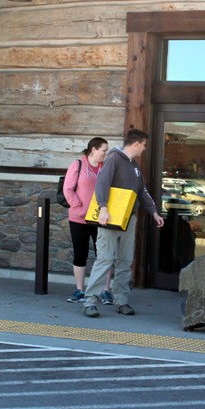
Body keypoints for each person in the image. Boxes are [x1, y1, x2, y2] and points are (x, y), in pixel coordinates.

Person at [83, 128, 164, 318]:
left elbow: (141, 191)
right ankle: (90, 302)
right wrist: (103, 208)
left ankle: (121, 300)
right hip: (110, 219)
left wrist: (153, 212)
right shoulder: (114, 159)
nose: (144, 149)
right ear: (137, 144)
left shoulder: (134, 166)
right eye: (144, 145)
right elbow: (102, 182)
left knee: (125, 261)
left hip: (129, 220)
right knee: (104, 260)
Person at [62, 137, 114, 304]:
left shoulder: (105, 167)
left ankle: (106, 291)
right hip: (78, 218)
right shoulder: (77, 165)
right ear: (94, 149)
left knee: (104, 255)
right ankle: (79, 290)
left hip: (100, 218)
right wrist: (79, 207)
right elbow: (68, 190)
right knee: (80, 253)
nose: (106, 153)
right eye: (104, 150)